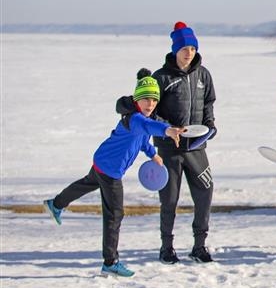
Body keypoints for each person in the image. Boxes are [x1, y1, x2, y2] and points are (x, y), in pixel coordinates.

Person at [44, 70, 184, 277]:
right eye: (146, 99)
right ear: (137, 99)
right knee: (114, 214)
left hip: (102, 161)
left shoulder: (141, 118)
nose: (150, 104)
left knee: (85, 183)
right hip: (110, 171)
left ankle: (55, 204)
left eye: (154, 100)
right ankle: (110, 262)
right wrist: (167, 130)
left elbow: (144, 139)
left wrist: (152, 154)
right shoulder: (136, 119)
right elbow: (148, 127)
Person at [152, 21, 218, 264]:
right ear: (175, 50)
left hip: (196, 147)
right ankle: (166, 247)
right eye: (184, 48)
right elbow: (151, 112)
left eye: (192, 48)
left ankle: (199, 245)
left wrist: (210, 126)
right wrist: (167, 129)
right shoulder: (162, 77)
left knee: (205, 193)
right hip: (169, 149)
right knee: (169, 199)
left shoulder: (203, 75)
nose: (189, 52)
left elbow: (208, 103)